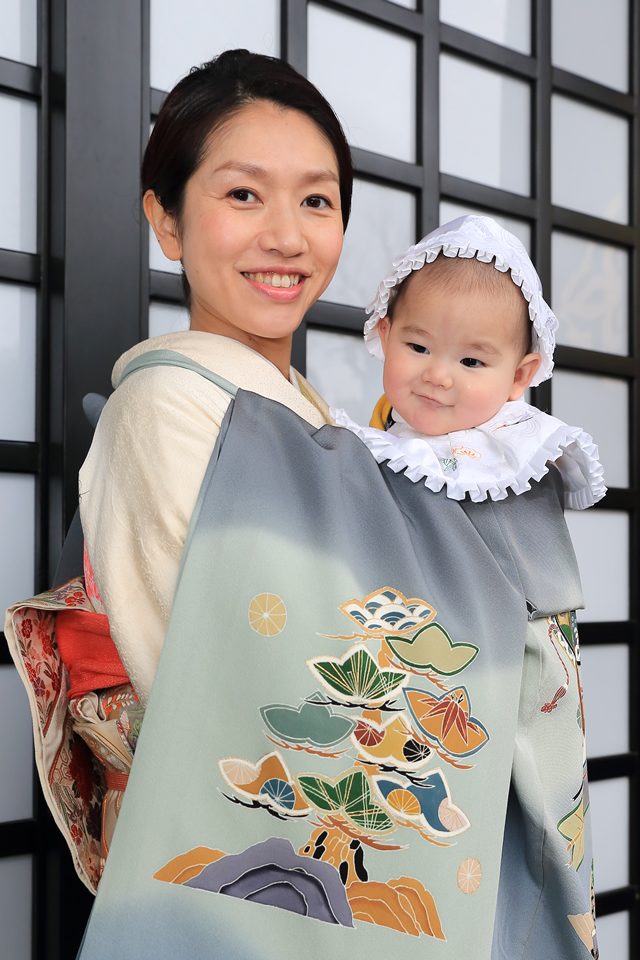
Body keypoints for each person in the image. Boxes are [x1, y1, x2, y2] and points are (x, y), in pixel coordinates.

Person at [5, 65, 593, 959]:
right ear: (165, 216)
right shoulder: (168, 406)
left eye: (317, 202)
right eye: (243, 193)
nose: (285, 236)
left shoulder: (318, 420)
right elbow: (212, 675)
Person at [332, 214, 603, 958]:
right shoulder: (372, 444)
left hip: (508, 670)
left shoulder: (509, 456)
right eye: (418, 346)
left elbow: (533, 583)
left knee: (528, 841)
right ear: (383, 335)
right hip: (407, 676)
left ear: (521, 375)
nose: (438, 375)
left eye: (472, 362)